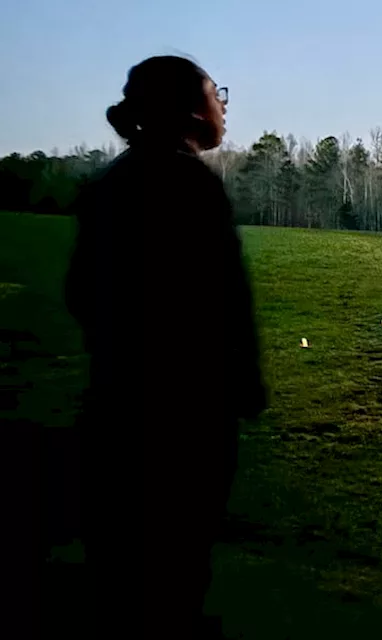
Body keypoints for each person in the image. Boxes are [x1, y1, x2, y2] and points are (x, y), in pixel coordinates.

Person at [64, 55, 266, 638]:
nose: (223, 105)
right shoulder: (189, 184)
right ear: (187, 110)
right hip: (183, 423)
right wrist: (238, 385)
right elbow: (226, 301)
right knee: (173, 574)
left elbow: (81, 293)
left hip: (113, 411)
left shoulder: (110, 183)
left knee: (124, 574)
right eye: (214, 93)